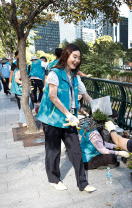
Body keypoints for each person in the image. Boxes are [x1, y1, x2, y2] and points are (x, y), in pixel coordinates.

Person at [37, 44, 96, 192]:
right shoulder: (54, 74)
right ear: (66, 56)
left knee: (76, 150)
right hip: (53, 120)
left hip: (69, 120)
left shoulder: (76, 77)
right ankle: (54, 179)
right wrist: (69, 114)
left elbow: (86, 95)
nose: (76, 60)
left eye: (79, 58)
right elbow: (53, 96)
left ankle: (83, 183)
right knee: (53, 151)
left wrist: (96, 107)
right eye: (74, 57)